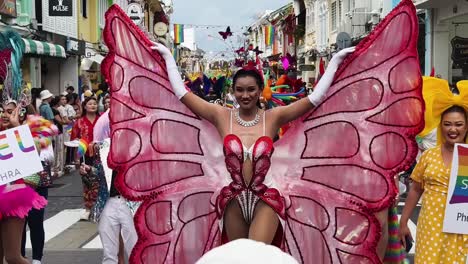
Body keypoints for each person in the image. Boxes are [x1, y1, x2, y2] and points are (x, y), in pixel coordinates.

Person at [153, 42, 354, 245]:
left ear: (260, 91)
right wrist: (168, 58)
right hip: (233, 199)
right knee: (239, 258)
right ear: (233, 91)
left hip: (266, 198)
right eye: (239, 90)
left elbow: (314, 99)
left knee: (257, 256)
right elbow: (183, 95)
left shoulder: (273, 117)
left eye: (251, 90)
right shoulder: (221, 115)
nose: (245, 95)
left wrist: (335, 61)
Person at [399, 77, 468, 264]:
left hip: (461, 230)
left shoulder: (467, 157)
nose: (452, 129)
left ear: (466, 126)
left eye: (458, 124)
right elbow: (415, 189)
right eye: (447, 124)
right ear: (440, 126)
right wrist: (403, 222)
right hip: (431, 227)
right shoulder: (429, 155)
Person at [82, 109, 138, 264]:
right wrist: (87, 171)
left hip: (131, 203)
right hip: (109, 202)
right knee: (108, 254)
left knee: (135, 251)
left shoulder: (139, 145)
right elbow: (98, 176)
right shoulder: (103, 147)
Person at [0, 102, 47, 264]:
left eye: (10, 111)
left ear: (20, 114)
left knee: (13, 257)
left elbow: (34, 153)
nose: (5, 115)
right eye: (3, 111)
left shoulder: (27, 134)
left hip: (13, 197)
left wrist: (16, 127)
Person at [71, 97, 100, 220]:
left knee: (101, 181)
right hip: (85, 156)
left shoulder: (102, 120)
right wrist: (76, 158)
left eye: (95, 103)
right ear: (85, 106)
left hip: (101, 154)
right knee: (87, 182)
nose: (93, 106)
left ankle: (100, 206)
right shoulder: (79, 122)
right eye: (90, 104)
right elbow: (73, 139)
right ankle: (88, 208)